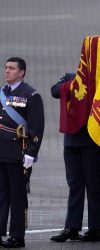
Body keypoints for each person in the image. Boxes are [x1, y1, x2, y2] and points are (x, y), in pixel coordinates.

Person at [50, 73, 100, 242]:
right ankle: (72, 227)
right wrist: (73, 83)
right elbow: (54, 91)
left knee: (93, 185)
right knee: (75, 185)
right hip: (71, 141)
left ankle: (95, 228)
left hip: (92, 141)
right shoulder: (71, 77)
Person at [0, 57, 45, 248]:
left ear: (21, 73)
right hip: (1, 151)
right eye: (6, 68)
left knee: (17, 195)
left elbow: (37, 127)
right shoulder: (2, 92)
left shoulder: (30, 95)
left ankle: (17, 236)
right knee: (1, 194)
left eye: (11, 68)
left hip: (18, 152)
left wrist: (31, 153)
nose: (7, 71)